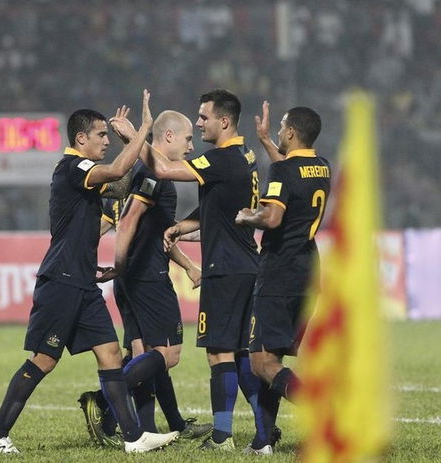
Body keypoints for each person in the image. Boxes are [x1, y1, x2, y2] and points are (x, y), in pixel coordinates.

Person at [0, 90, 179, 454]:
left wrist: (130, 143)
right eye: (101, 135)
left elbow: (119, 184)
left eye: (108, 135)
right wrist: (142, 131)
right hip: (61, 281)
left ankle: (133, 438)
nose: (105, 141)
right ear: (80, 139)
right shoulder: (72, 167)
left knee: (111, 355)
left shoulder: (86, 174)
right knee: (43, 361)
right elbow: (119, 171)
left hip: (83, 283)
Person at [79, 111, 211, 446]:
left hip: (134, 278)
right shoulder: (156, 175)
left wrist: (187, 266)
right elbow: (129, 222)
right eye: (186, 139)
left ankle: (142, 427)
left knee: (144, 355)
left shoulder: (141, 169)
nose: (191, 145)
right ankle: (104, 398)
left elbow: (156, 235)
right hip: (146, 278)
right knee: (169, 354)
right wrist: (120, 266)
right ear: (168, 137)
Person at [143, 89, 264, 451]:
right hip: (246, 263)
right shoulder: (246, 154)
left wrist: (136, 137)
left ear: (223, 121)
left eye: (203, 117)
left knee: (218, 353)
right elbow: (222, 208)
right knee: (242, 352)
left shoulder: (222, 158)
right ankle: (263, 434)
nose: (198, 123)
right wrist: (182, 226)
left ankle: (222, 436)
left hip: (224, 269)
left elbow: (162, 168)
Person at [235, 103, 331, 454]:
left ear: (291, 133)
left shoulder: (282, 170)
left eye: (280, 128)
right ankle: (262, 442)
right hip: (308, 273)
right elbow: (291, 172)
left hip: (279, 273)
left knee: (260, 361)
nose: (277, 131)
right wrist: (264, 141)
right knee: (271, 359)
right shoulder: (322, 167)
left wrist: (248, 217)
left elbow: (273, 217)